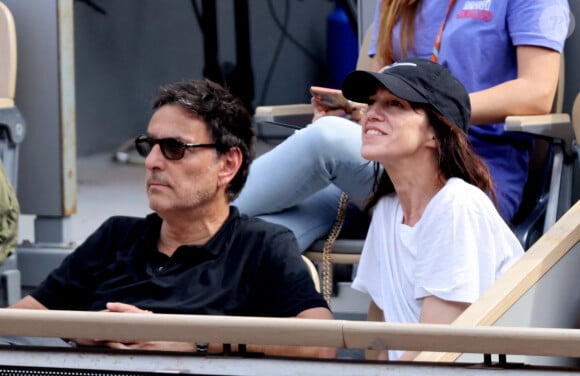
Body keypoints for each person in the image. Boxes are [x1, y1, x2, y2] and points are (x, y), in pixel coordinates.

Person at [7, 79, 336, 359]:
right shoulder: (116, 236)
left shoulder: (260, 245)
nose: (151, 161)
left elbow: (321, 342)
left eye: (174, 148)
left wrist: (194, 342)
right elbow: (17, 323)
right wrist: (85, 331)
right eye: (148, 145)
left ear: (228, 164)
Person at [233, 0, 570, 251]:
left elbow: (537, 93)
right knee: (259, 233)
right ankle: (205, 323)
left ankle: (189, 212)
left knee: (327, 139)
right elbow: (374, 94)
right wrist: (353, 111)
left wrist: (433, 109)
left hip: (470, 168)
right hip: (388, 163)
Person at [343, 57, 524, 361]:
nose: (371, 113)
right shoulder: (387, 209)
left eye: (394, 105)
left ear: (435, 134)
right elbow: (378, 332)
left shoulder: (457, 205)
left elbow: (435, 350)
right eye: (372, 103)